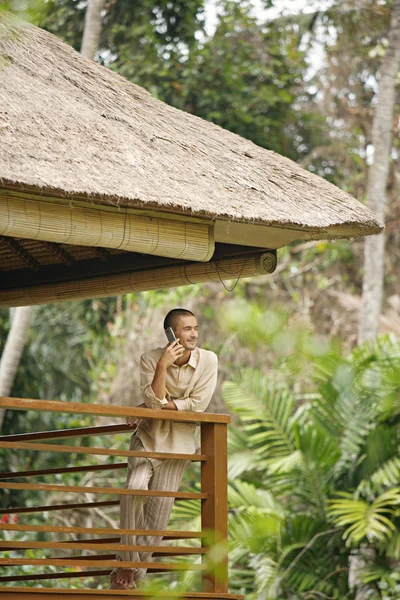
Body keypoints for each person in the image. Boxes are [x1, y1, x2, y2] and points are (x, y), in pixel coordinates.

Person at [110, 308, 218, 590]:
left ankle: (130, 576)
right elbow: (154, 398)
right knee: (133, 489)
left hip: (178, 447)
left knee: (158, 517)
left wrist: (153, 406)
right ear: (171, 333)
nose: (193, 334)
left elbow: (198, 405)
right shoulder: (150, 358)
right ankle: (127, 565)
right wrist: (162, 366)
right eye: (186, 329)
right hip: (148, 438)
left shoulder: (209, 360)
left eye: (195, 328)